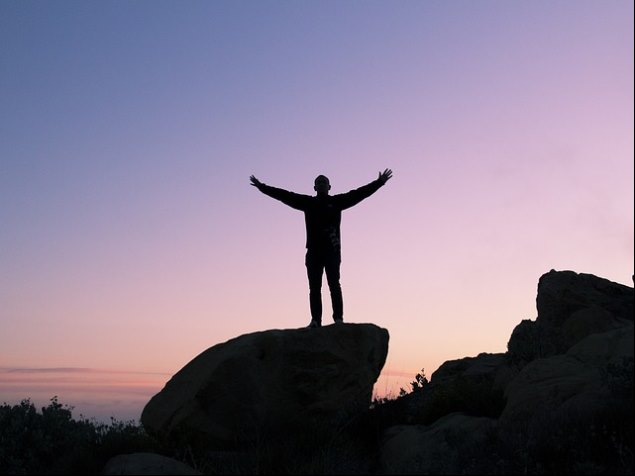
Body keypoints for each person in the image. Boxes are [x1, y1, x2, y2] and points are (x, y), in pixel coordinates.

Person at [249, 169, 393, 328]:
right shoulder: (308, 203)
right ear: (314, 187)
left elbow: (359, 194)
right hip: (313, 252)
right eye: (318, 182)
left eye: (324, 182)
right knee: (314, 287)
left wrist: (379, 182)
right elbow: (285, 195)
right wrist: (262, 187)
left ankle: (338, 319)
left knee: (334, 285)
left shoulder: (338, 202)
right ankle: (315, 321)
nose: (321, 184)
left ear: (329, 187)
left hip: (332, 251)